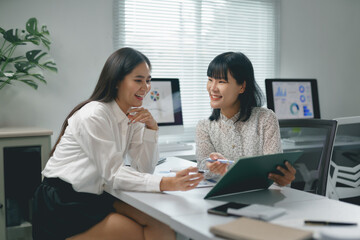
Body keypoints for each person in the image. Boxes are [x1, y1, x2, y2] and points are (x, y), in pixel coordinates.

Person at [32, 47, 204, 240]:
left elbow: (143, 170)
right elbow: (113, 173)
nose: (146, 87)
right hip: (64, 201)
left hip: (96, 195)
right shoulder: (95, 114)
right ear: (116, 82)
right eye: (138, 80)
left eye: (148, 80)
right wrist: (166, 183)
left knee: (162, 224)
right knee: (137, 232)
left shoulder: (133, 114)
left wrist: (151, 130)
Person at [196, 51, 296, 186]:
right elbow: (202, 165)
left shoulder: (265, 119)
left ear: (242, 87)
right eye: (210, 80)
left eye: (221, 81)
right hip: (221, 197)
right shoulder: (204, 126)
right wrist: (211, 165)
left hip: (260, 198)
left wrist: (282, 178)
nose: (212, 88)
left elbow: (274, 171)